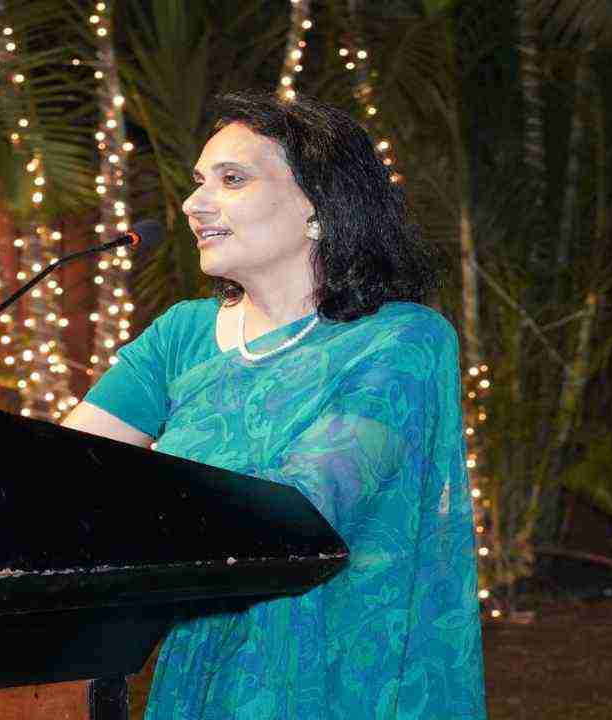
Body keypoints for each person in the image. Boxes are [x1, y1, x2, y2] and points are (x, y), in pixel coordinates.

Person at [60, 90, 486, 719]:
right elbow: (60, 472)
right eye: (199, 181)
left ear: (319, 207)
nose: (194, 204)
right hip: (205, 663)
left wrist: (139, 496)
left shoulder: (400, 340)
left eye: (232, 179)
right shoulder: (181, 335)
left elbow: (306, 507)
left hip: (346, 670)